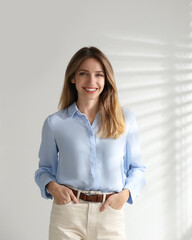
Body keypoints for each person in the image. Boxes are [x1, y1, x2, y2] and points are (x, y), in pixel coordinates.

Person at [35, 46, 146, 240]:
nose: (91, 81)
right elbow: (44, 169)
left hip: (109, 215)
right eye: (83, 73)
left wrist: (124, 195)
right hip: (68, 215)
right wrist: (52, 187)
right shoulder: (55, 123)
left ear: (106, 79)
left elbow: (137, 168)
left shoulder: (125, 119)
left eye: (99, 75)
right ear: (73, 78)